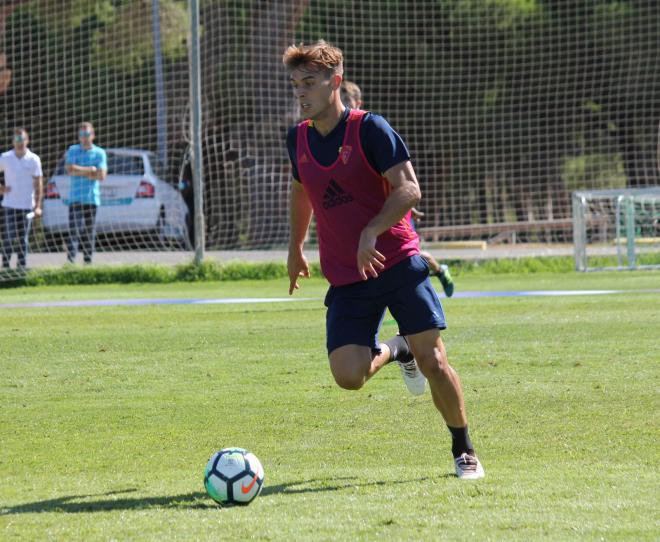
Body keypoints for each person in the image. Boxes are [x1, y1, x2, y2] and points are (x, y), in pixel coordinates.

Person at [284, 41, 484, 479]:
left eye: (310, 83)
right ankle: (397, 348)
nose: (301, 93)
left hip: (395, 261)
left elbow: (409, 188)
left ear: (335, 83)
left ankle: (463, 448)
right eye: (296, 84)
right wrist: (296, 247)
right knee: (348, 375)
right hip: (347, 276)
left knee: (433, 361)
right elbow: (301, 191)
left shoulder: (370, 129)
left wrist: (371, 230)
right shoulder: (296, 138)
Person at [340, 79, 454, 297]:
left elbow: (401, 182)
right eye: (342, 100)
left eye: (348, 101)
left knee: (411, 256)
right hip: (368, 214)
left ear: (359, 102)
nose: (345, 105)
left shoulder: (372, 130)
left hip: (392, 211)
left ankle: (439, 271)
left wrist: (411, 207)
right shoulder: (338, 138)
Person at [0, 128, 43, 270]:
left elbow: (39, 184)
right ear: (13, 141)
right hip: (9, 205)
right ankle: (5, 268)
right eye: (17, 140)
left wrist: (37, 206)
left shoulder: (34, 159)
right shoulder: (5, 157)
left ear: (27, 140)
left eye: (22, 139)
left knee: (23, 240)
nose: (19, 143)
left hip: (26, 206)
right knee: (8, 239)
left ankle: (21, 268)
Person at [64, 122, 107, 264]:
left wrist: (79, 170)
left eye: (87, 134)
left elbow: (101, 175)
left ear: (93, 135)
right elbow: (70, 169)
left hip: (91, 199)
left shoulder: (100, 152)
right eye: (82, 135)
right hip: (75, 199)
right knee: (73, 233)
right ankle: (70, 263)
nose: (84, 137)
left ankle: (88, 263)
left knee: (89, 234)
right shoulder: (73, 150)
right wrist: (91, 170)